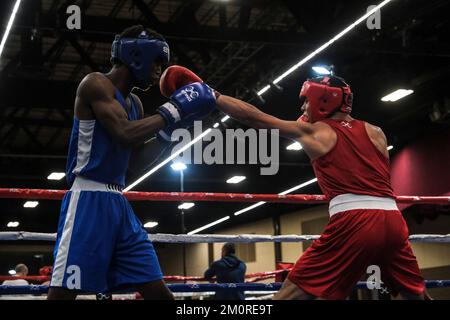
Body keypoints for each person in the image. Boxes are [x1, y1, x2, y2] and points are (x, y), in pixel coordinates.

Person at [159, 67, 426, 300]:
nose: (302, 108)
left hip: (354, 221)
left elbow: (254, 118)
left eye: (305, 102)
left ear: (321, 100)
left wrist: (213, 95)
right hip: (393, 220)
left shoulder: (316, 132)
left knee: (290, 293)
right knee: (414, 294)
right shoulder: (375, 131)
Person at [47, 25, 216, 300]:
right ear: (137, 54)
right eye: (158, 62)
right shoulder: (95, 83)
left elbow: (136, 163)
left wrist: (170, 131)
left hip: (119, 203)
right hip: (88, 199)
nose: (160, 71)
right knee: (63, 293)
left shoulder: (135, 103)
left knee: (158, 291)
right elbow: (123, 133)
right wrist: (174, 110)